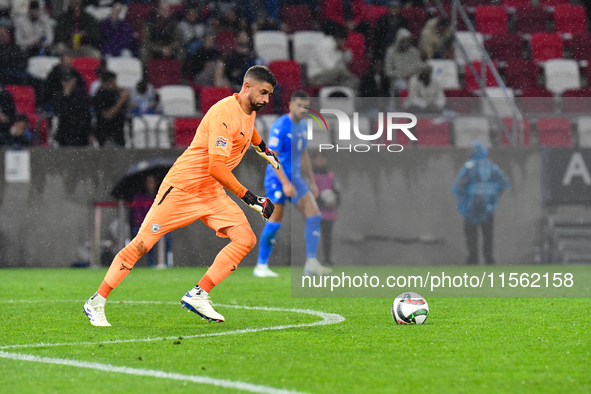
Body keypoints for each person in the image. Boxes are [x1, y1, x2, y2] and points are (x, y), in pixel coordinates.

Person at [83, 65, 280, 327]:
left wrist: (263, 148)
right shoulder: (224, 114)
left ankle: (199, 293)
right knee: (141, 245)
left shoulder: (248, 109)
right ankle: (96, 301)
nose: (267, 100)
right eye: (263, 93)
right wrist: (252, 199)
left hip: (211, 192)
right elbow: (216, 167)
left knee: (245, 238)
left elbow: (248, 130)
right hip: (183, 188)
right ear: (247, 87)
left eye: (269, 95)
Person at [254, 90, 331, 277]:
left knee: (314, 215)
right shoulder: (280, 126)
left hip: (296, 179)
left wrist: (312, 182)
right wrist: (285, 183)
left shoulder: (304, 125)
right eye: (299, 105)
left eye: (306, 106)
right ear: (290, 105)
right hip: (277, 179)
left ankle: (311, 263)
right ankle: (261, 266)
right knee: (274, 222)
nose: (302, 109)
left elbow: (303, 154)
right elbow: (272, 157)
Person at [452, 141, 511, 265]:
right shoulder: (492, 167)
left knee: (471, 234)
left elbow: (459, 186)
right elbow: (504, 183)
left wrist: (463, 199)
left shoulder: (469, 167)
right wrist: (493, 195)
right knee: (487, 234)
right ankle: (489, 259)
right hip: (488, 206)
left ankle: (473, 259)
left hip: (471, 206)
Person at [131, 175, 172, 267]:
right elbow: (137, 216)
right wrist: (147, 224)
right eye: (148, 182)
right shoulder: (139, 197)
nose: (150, 184)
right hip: (144, 226)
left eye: (152, 182)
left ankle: (166, 262)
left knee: (167, 237)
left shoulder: (160, 196)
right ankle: (151, 263)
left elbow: (163, 213)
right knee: (147, 240)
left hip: (158, 225)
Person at [307, 24, 358, 90]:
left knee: (350, 84)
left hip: (331, 77)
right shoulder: (323, 46)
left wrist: (345, 52)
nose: (344, 44)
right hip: (317, 77)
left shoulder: (337, 47)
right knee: (341, 71)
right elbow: (329, 67)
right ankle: (355, 81)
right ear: (338, 39)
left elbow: (349, 60)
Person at [312, 151, 340, 267]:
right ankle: (312, 260)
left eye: (322, 158)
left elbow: (337, 193)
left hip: (329, 214)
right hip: (314, 213)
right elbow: (311, 194)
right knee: (313, 237)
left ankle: (327, 259)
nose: (320, 161)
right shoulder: (312, 177)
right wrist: (322, 203)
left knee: (327, 237)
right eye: (317, 159)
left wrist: (335, 202)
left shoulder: (331, 176)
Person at [53, 71, 91, 146]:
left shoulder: (80, 95)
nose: (68, 84)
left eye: (69, 81)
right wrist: (65, 97)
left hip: (80, 130)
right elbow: (59, 112)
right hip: (64, 129)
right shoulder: (58, 95)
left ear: (74, 81)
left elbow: (85, 114)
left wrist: (89, 132)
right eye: (65, 81)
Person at [93, 71, 129, 147]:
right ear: (106, 83)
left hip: (118, 132)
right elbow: (107, 115)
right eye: (112, 82)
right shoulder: (99, 96)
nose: (114, 85)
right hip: (106, 133)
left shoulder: (115, 92)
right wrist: (121, 101)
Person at [384, 28, 423, 96]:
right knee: (403, 87)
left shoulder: (414, 52)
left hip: (413, 78)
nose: (406, 43)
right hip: (397, 80)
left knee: (418, 85)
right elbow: (388, 71)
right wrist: (402, 75)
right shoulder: (391, 52)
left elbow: (419, 67)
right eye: (404, 41)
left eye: (408, 41)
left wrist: (411, 74)